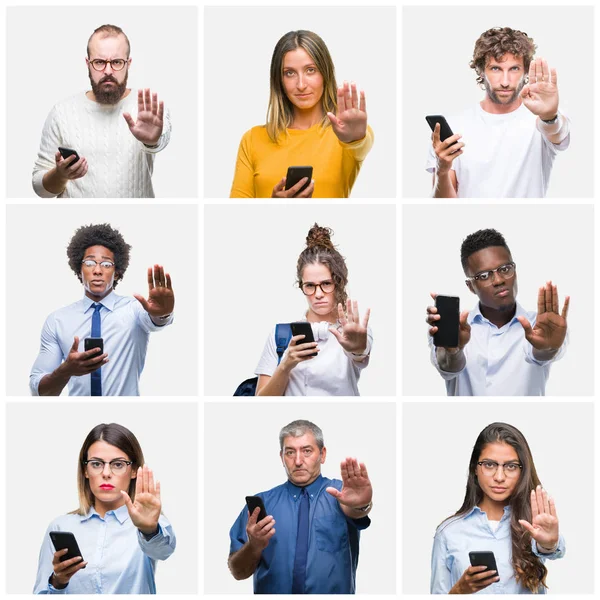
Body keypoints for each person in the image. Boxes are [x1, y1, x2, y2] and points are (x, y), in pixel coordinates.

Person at [228, 420, 373, 593]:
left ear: (323, 454)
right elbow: (238, 572)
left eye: (307, 451)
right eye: (290, 452)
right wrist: (254, 546)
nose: (298, 461)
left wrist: (362, 505)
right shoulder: (260, 506)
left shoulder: (341, 494)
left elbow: (355, 510)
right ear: (281, 457)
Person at [30, 223, 174, 396]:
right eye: (90, 263)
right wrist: (65, 370)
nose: (97, 270)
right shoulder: (57, 320)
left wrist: (162, 313)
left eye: (106, 264)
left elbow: (154, 320)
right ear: (79, 270)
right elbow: (40, 391)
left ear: (117, 272)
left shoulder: (134, 310)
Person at [427, 27, 570, 198]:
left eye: (514, 69)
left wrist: (549, 116)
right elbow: (446, 206)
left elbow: (558, 134)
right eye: (495, 69)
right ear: (481, 70)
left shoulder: (541, 117)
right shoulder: (454, 126)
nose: (505, 81)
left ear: (525, 71)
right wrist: (442, 172)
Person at [33, 423, 176, 594]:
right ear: (85, 470)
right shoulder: (61, 527)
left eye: (118, 464)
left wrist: (149, 530)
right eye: (96, 464)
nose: (106, 473)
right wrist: (58, 582)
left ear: (133, 471)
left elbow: (163, 551)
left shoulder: (148, 522)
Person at [230, 30, 374, 198]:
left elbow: (361, 142)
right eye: (289, 73)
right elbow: (235, 214)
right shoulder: (252, 139)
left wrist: (354, 138)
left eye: (310, 70)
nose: (301, 84)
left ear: (325, 74)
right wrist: (271, 207)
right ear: (279, 80)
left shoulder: (344, 133)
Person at [32, 24, 171, 198]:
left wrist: (152, 142)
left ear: (128, 64)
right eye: (99, 62)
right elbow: (40, 189)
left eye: (116, 62)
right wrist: (60, 175)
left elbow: (163, 140)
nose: (108, 71)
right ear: (88, 63)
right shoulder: (62, 112)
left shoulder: (147, 107)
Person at [426, 229, 569, 396]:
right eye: (484, 275)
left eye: (505, 269)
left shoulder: (542, 326)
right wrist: (453, 351)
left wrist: (549, 348)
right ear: (471, 287)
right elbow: (449, 367)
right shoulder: (455, 328)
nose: (499, 280)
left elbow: (540, 354)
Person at [431, 422, 564, 594]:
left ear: (522, 471)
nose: (499, 477)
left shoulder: (532, 525)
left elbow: (554, 550)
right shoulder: (448, 532)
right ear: (475, 469)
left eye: (511, 466)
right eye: (489, 464)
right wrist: (459, 591)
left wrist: (548, 544)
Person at [255, 224, 372, 396]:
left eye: (326, 284)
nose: (318, 294)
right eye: (309, 286)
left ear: (339, 283)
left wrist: (357, 347)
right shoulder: (280, 335)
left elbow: (359, 349)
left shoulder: (353, 331)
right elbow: (260, 404)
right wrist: (286, 365)